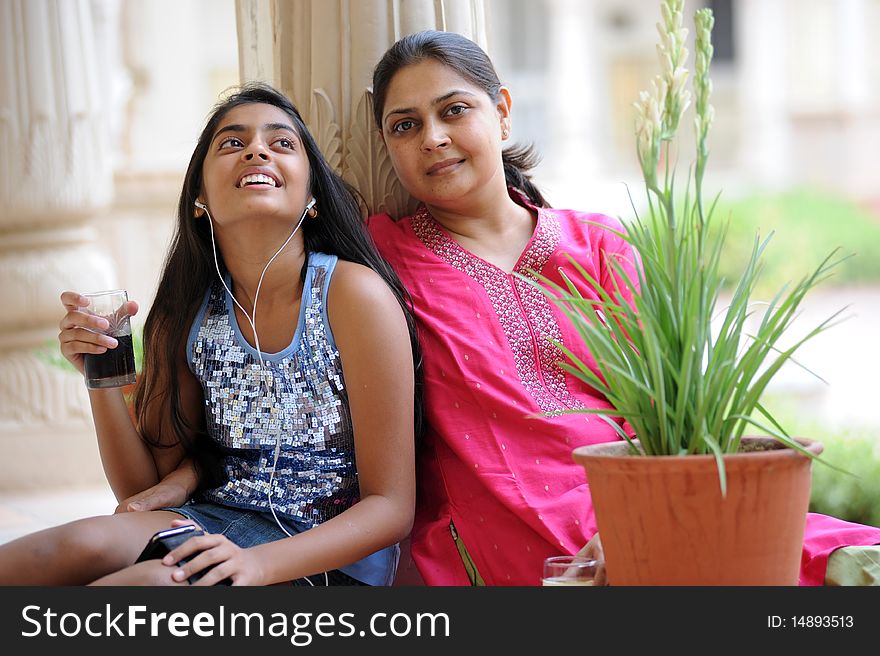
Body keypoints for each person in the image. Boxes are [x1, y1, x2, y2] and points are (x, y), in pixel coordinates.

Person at [122, 31, 880, 587]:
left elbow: (678, 425)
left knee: (827, 564)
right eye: (405, 125)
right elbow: (250, 342)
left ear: (503, 112)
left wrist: (647, 518)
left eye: (455, 110)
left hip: (636, 505)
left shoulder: (605, 247)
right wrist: (181, 465)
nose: (435, 138)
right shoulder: (377, 260)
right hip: (496, 532)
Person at [0, 82, 420, 586]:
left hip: (326, 558)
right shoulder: (190, 310)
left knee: (148, 586)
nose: (257, 149)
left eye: (282, 142)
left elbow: (391, 507)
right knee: (60, 550)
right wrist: (101, 375)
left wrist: (257, 563)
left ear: (311, 196)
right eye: (232, 142)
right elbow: (142, 492)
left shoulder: (353, 295)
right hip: (217, 523)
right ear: (200, 196)